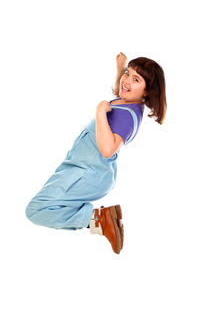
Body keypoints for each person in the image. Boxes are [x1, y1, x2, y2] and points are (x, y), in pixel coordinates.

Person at [25, 52, 167, 254]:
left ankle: (99, 219)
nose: (126, 81)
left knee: (36, 210)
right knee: (49, 202)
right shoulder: (128, 100)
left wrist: (100, 113)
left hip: (88, 173)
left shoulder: (127, 118)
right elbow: (122, 88)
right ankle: (97, 218)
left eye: (136, 79)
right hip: (80, 168)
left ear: (147, 92)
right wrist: (121, 68)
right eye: (128, 74)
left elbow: (108, 150)